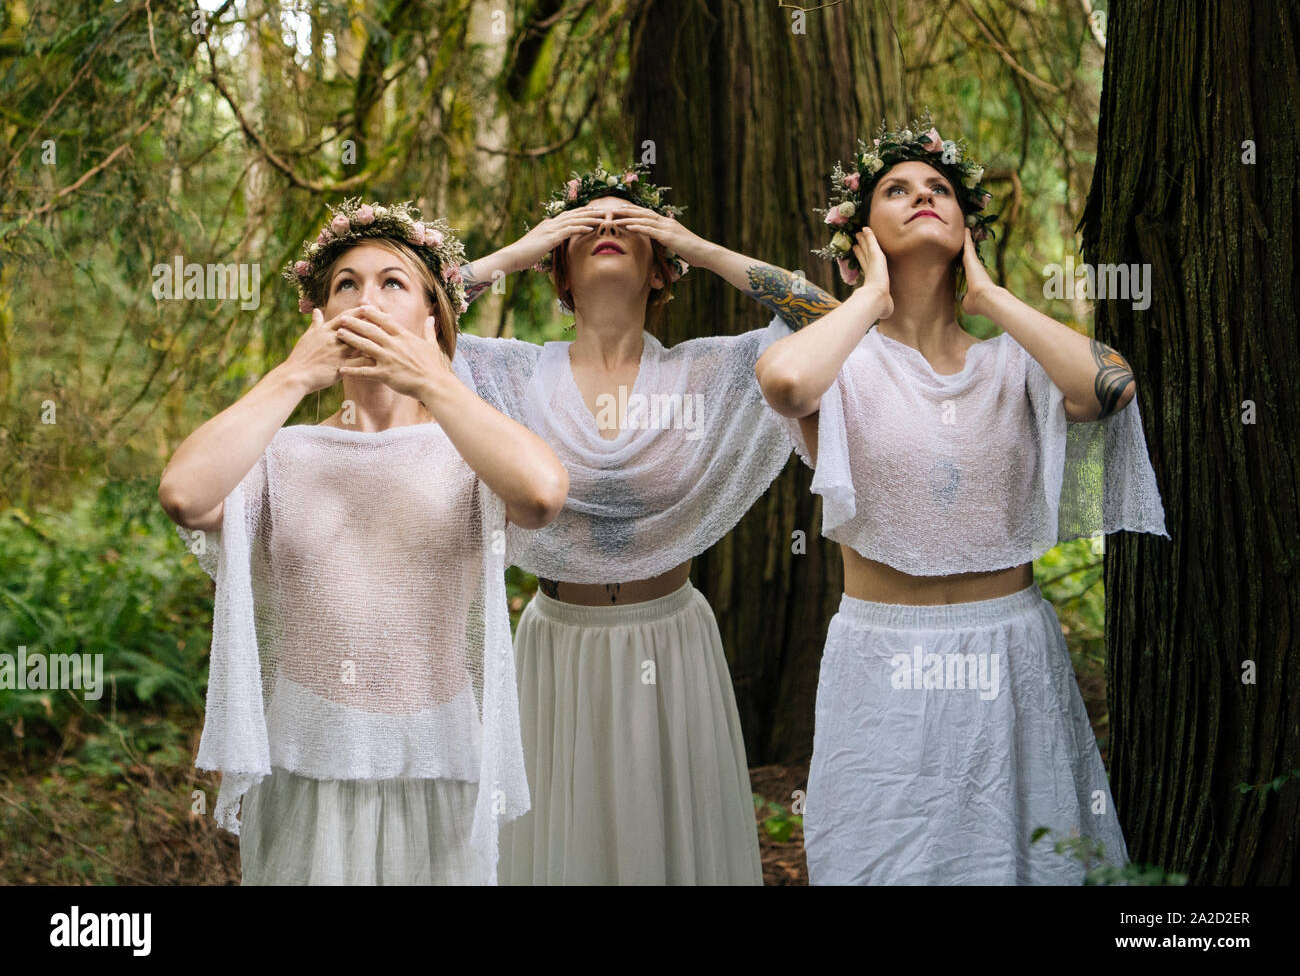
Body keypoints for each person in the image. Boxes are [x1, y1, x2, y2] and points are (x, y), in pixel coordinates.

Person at [756, 115, 1169, 885]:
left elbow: (1112, 386)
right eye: (897, 189)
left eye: (939, 188)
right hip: (884, 661)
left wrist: (993, 297)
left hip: (1012, 654)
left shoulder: (1012, 364)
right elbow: (785, 384)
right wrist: (872, 293)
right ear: (860, 235)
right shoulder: (841, 360)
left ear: (967, 229)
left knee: (1027, 861)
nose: (922, 195)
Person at [158, 198, 568, 885]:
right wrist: (294, 377)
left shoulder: (469, 453)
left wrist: (435, 379)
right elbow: (185, 493)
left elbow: (542, 493)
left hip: (440, 764)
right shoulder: (282, 454)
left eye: (393, 282)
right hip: (304, 765)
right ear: (318, 317)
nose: (365, 297)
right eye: (345, 282)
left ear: (432, 316)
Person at [452, 161, 840, 884]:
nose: (605, 227)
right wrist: (514, 252)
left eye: (628, 223)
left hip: (671, 639)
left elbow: (825, 318)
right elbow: (403, 321)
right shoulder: (510, 374)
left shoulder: (706, 374)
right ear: (559, 271)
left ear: (662, 270)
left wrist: (699, 246)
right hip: (554, 648)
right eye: (586, 223)